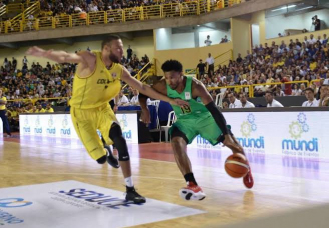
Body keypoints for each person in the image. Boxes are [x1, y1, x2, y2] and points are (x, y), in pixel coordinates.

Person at [26, 35, 187, 204]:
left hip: (103, 109)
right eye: (118, 48)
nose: (122, 51)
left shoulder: (118, 69)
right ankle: (104, 152)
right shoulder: (90, 59)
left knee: (120, 141)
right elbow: (66, 57)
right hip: (81, 114)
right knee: (101, 160)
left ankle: (130, 190)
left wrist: (170, 100)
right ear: (106, 49)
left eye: (122, 47)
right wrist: (44, 53)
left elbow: (142, 87)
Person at [139, 60, 254, 201]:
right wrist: (144, 109)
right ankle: (192, 183)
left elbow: (214, 110)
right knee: (176, 142)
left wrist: (226, 134)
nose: (169, 81)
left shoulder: (196, 86)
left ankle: (246, 167)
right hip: (184, 121)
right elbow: (142, 93)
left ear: (181, 74)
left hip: (205, 118)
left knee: (232, 143)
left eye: (173, 77)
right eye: (167, 77)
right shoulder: (162, 85)